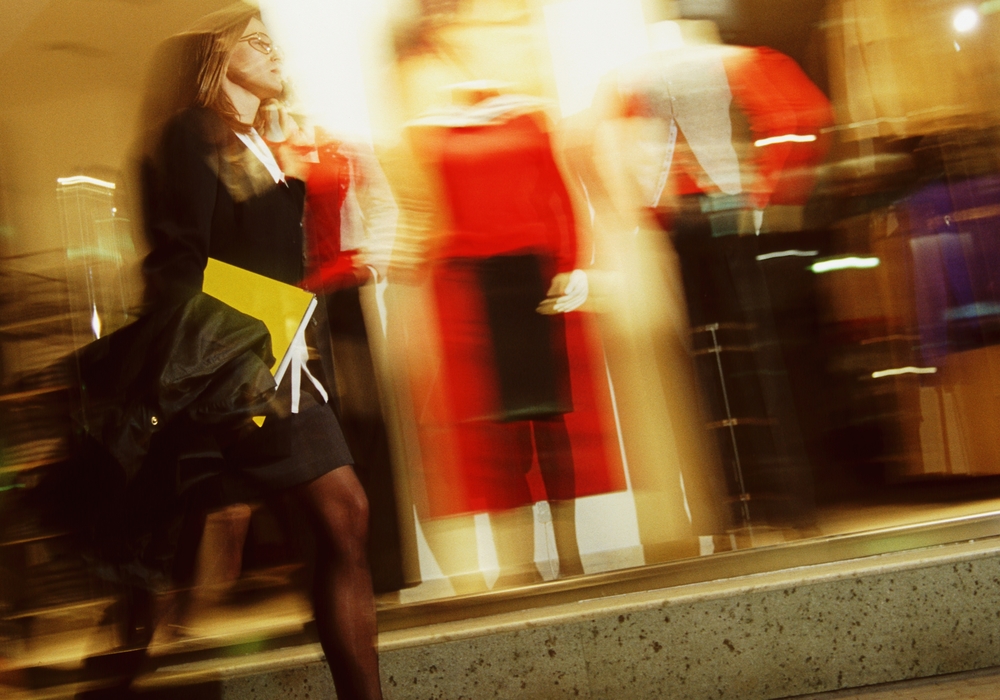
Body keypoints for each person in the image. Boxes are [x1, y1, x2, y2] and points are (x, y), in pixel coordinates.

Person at [135, 5, 383, 698]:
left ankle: (138, 643)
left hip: (290, 358)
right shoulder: (191, 135)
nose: (273, 54)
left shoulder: (260, 139)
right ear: (214, 60)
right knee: (343, 515)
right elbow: (181, 260)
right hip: (247, 363)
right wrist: (235, 354)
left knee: (338, 527)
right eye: (254, 43)